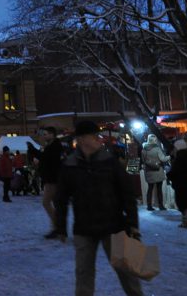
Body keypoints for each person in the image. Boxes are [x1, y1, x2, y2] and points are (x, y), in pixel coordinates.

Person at [55, 121, 143, 296]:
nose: (98, 138)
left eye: (98, 135)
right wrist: (61, 226)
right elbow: (61, 198)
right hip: (84, 228)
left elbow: (127, 193)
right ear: (81, 139)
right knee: (83, 273)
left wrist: (132, 223)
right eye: (94, 135)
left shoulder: (109, 161)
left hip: (113, 226)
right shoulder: (70, 165)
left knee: (126, 272)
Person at [38, 126, 64, 238]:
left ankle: (57, 226)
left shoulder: (54, 147)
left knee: (46, 202)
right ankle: (56, 227)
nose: (44, 136)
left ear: (52, 135)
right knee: (54, 204)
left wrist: (35, 153)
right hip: (51, 178)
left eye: (46, 134)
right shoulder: (51, 146)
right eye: (43, 134)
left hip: (52, 179)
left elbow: (49, 161)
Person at [167, 139, 187, 230]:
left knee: (182, 204)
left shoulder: (179, 158)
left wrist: (169, 175)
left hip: (180, 184)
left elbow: (175, 172)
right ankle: (186, 222)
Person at [141, 134, 169, 211]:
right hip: (158, 171)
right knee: (159, 189)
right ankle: (161, 206)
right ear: (154, 140)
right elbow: (163, 159)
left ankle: (149, 206)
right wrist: (169, 156)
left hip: (149, 172)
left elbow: (143, 160)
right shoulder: (157, 149)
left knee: (150, 189)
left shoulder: (144, 149)